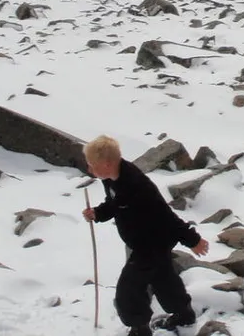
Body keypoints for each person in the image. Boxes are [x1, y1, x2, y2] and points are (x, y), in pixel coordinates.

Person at [82, 135, 210, 336]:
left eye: (91, 165)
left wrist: (192, 240)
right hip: (145, 242)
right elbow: (115, 203)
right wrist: (98, 213)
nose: (89, 169)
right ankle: (184, 315)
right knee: (163, 279)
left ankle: (140, 329)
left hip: (152, 243)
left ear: (106, 164)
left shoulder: (137, 185)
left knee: (128, 289)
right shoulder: (111, 178)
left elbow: (165, 215)